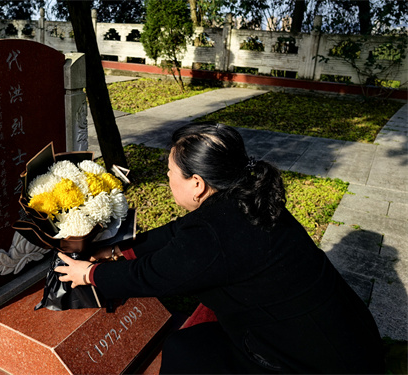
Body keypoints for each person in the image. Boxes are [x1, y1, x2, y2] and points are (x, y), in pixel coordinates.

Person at [55, 122, 385, 374]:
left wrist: (90, 273)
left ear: (197, 184)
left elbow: (155, 275)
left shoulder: (215, 232)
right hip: (348, 337)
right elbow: (176, 232)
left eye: (170, 173)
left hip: (310, 360)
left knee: (185, 351)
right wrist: (121, 251)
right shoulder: (244, 196)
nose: (168, 179)